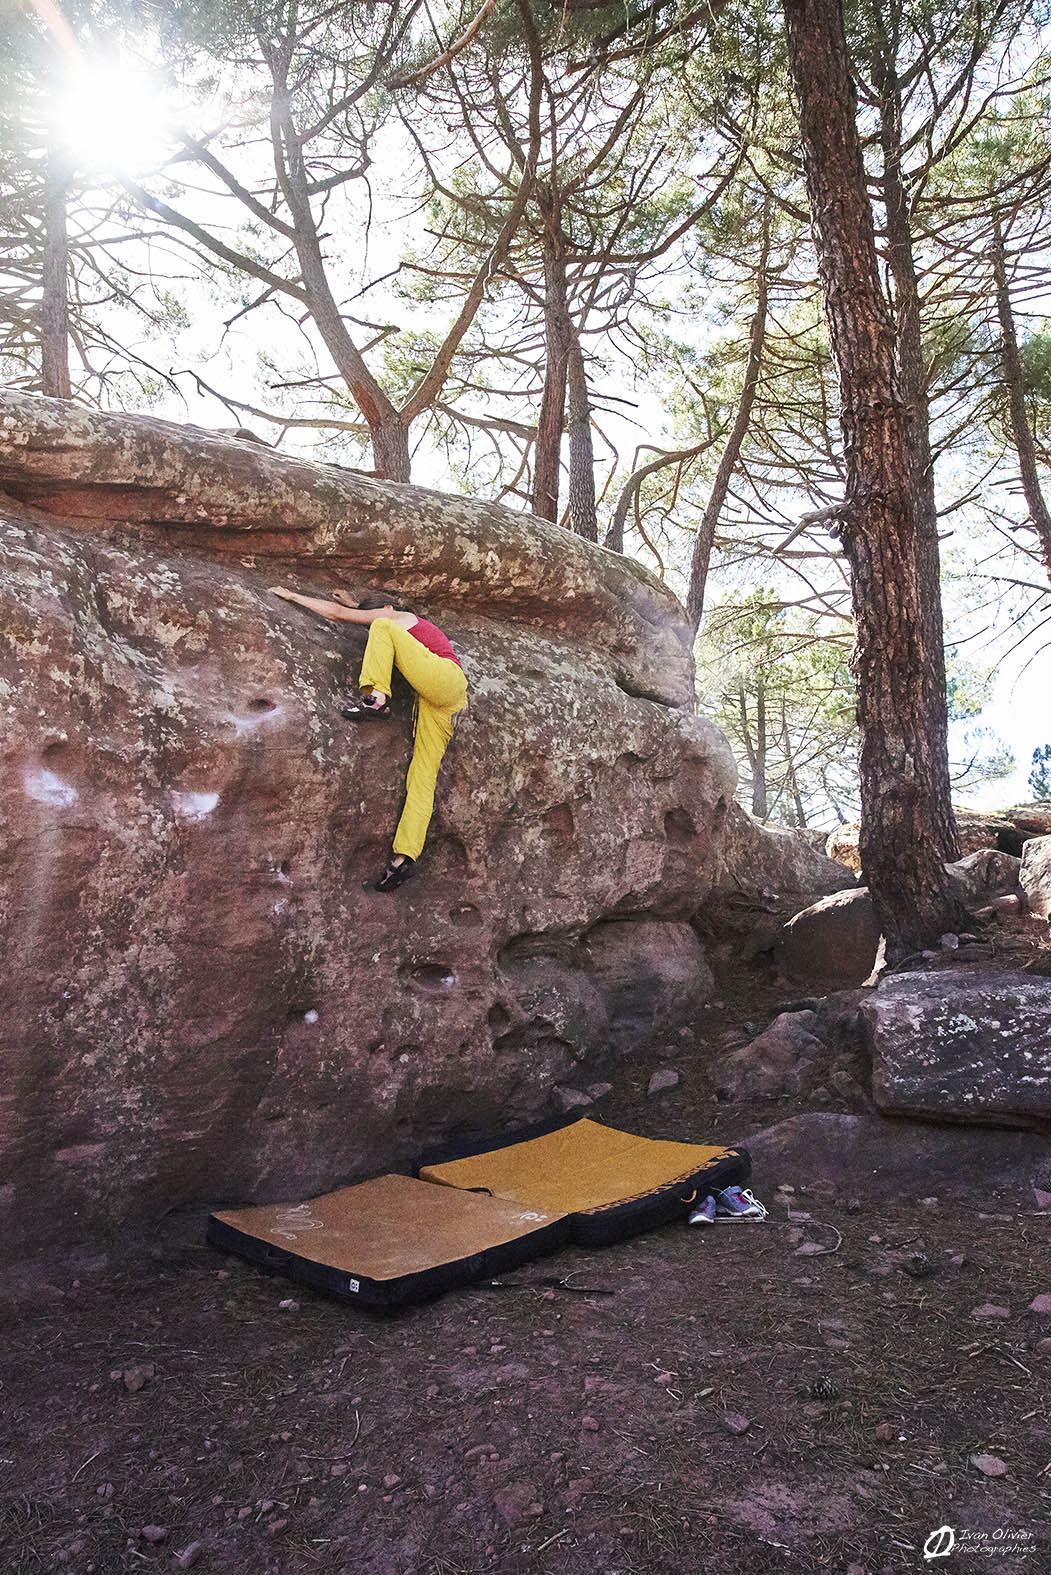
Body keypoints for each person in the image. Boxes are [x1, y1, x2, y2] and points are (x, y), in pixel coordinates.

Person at [269, 586, 468, 891]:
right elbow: (354, 612)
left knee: (381, 627)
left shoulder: (397, 617)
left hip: (443, 678)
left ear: (387, 606)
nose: (370, 618)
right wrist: (353, 603)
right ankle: (404, 858)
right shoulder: (405, 622)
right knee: (422, 776)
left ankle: (376, 697)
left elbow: (346, 616)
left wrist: (292, 596)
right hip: (442, 698)